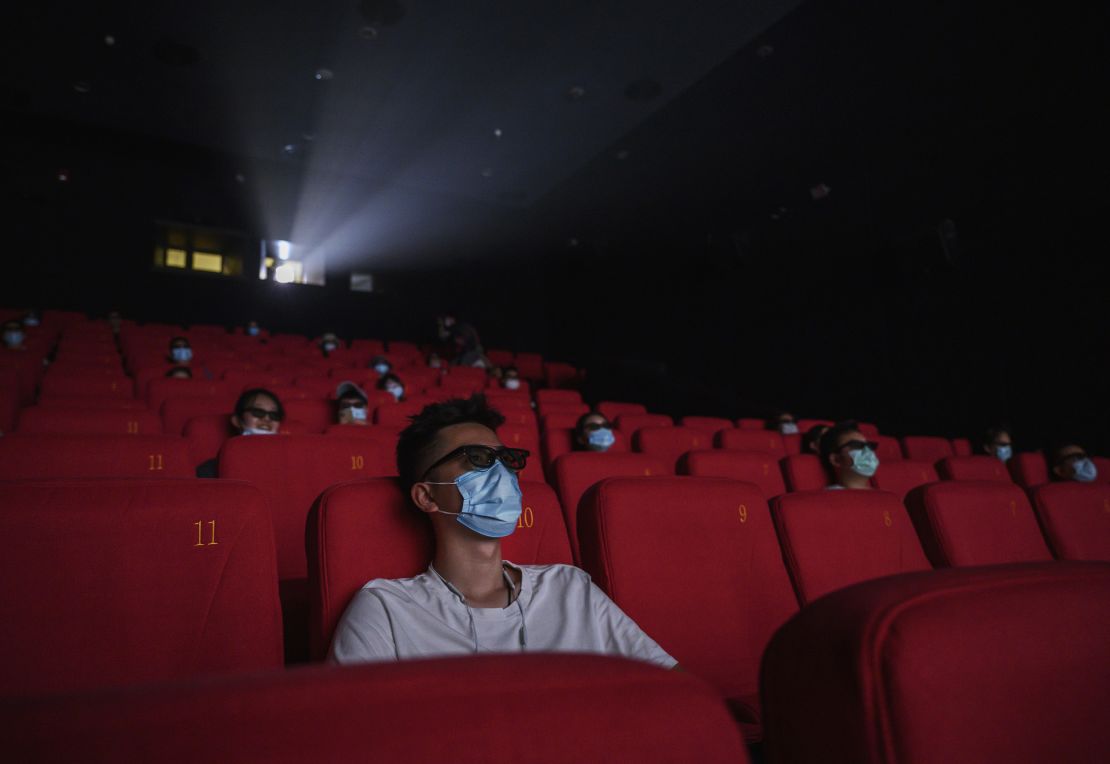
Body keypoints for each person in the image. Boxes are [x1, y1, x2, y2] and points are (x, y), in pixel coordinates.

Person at [329, 394, 677, 668]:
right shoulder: (385, 609)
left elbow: (673, 689)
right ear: (427, 495)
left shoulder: (570, 588)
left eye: (507, 459)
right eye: (478, 459)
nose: (503, 475)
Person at [196, 388, 284, 477]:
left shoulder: (289, 462)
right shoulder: (214, 468)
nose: (267, 419)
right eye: (258, 412)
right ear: (237, 421)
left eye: (274, 415)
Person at [819, 421, 879, 490]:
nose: (868, 452)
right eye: (857, 445)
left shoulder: (884, 497)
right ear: (835, 459)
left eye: (869, 446)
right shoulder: (825, 499)